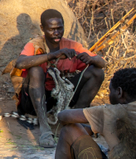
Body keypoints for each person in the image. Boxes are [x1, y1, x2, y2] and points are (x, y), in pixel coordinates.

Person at [12, 9, 106, 148]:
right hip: (35, 101)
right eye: (52, 29)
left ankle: (75, 118)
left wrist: (91, 59)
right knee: (35, 70)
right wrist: (53, 55)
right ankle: (45, 127)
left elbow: (102, 63)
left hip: (61, 99)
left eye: (59, 28)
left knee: (97, 72)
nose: (56, 33)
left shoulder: (71, 45)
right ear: (42, 28)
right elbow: (20, 63)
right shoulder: (35, 45)